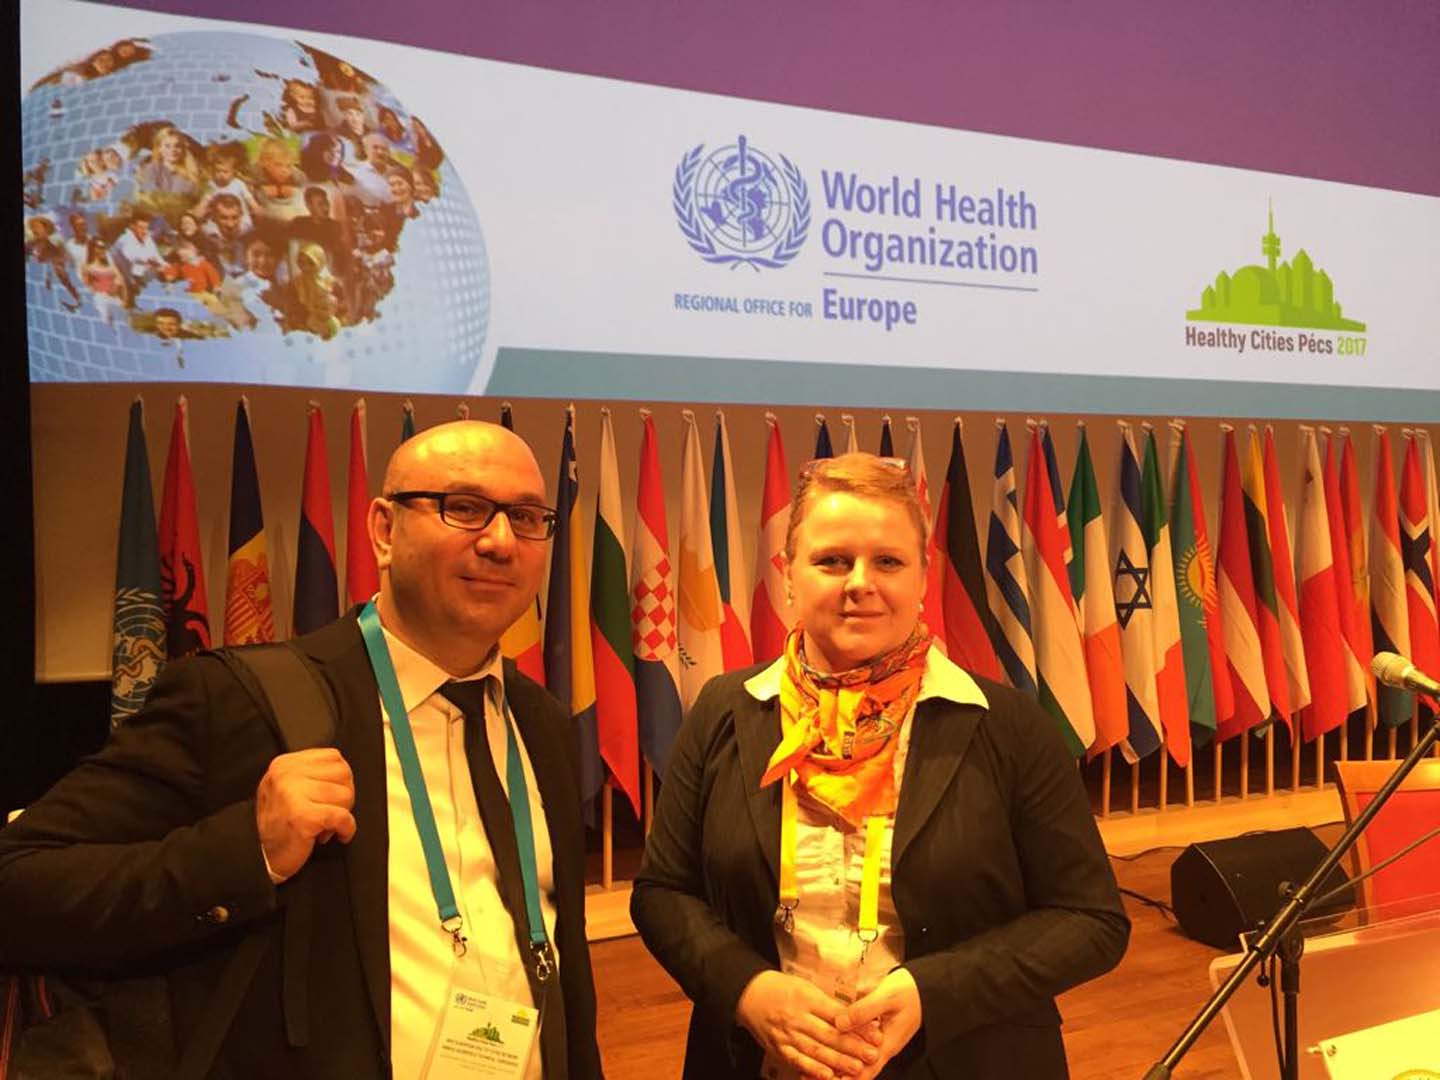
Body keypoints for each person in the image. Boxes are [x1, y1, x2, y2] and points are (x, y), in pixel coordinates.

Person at [0, 421, 604, 1079]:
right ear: (384, 530)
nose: (500, 541)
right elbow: (19, 882)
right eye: (463, 507)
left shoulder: (543, 724)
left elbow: (565, 976)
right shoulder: (239, 702)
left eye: (526, 517)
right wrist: (246, 851)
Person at [631, 453, 1129, 1079]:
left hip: (964, 1059)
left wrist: (931, 992)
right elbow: (662, 892)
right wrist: (747, 989)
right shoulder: (724, 710)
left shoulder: (1008, 725)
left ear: (923, 578)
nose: (859, 583)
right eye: (832, 560)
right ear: (788, 575)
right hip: (759, 1061)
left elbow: (1091, 921)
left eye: (888, 562)